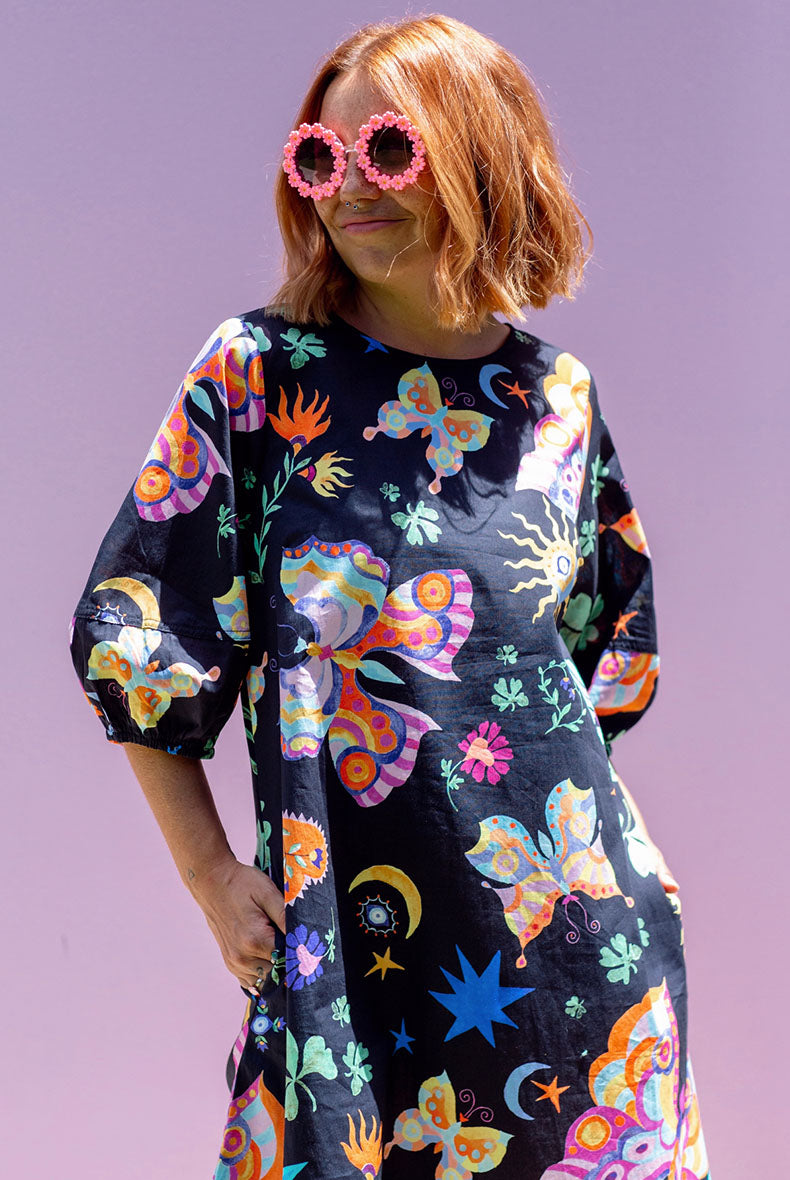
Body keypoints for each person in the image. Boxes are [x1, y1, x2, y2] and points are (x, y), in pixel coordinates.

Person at [69, 14, 711, 1180]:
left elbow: (588, 670)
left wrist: (633, 870)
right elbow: (139, 630)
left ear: (481, 158)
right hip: (354, 985)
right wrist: (212, 878)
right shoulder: (257, 378)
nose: (349, 188)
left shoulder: (560, 402)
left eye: (389, 150)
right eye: (322, 156)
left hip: (583, 977)